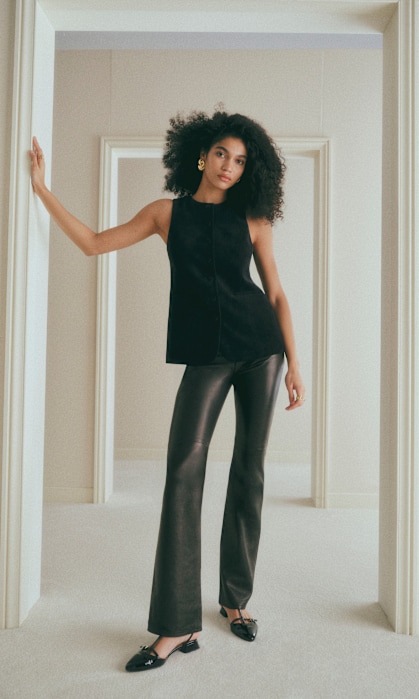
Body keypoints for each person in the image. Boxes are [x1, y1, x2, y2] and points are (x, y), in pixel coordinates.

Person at [30, 108, 305, 672]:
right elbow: (93, 243)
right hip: (206, 355)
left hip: (261, 349)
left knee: (249, 469)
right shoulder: (165, 214)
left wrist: (296, 364)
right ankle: (178, 626)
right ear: (201, 155)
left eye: (241, 160)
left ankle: (235, 598)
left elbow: (276, 293)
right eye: (222, 153)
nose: (229, 166)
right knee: (183, 470)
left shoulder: (253, 217)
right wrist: (41, 189)